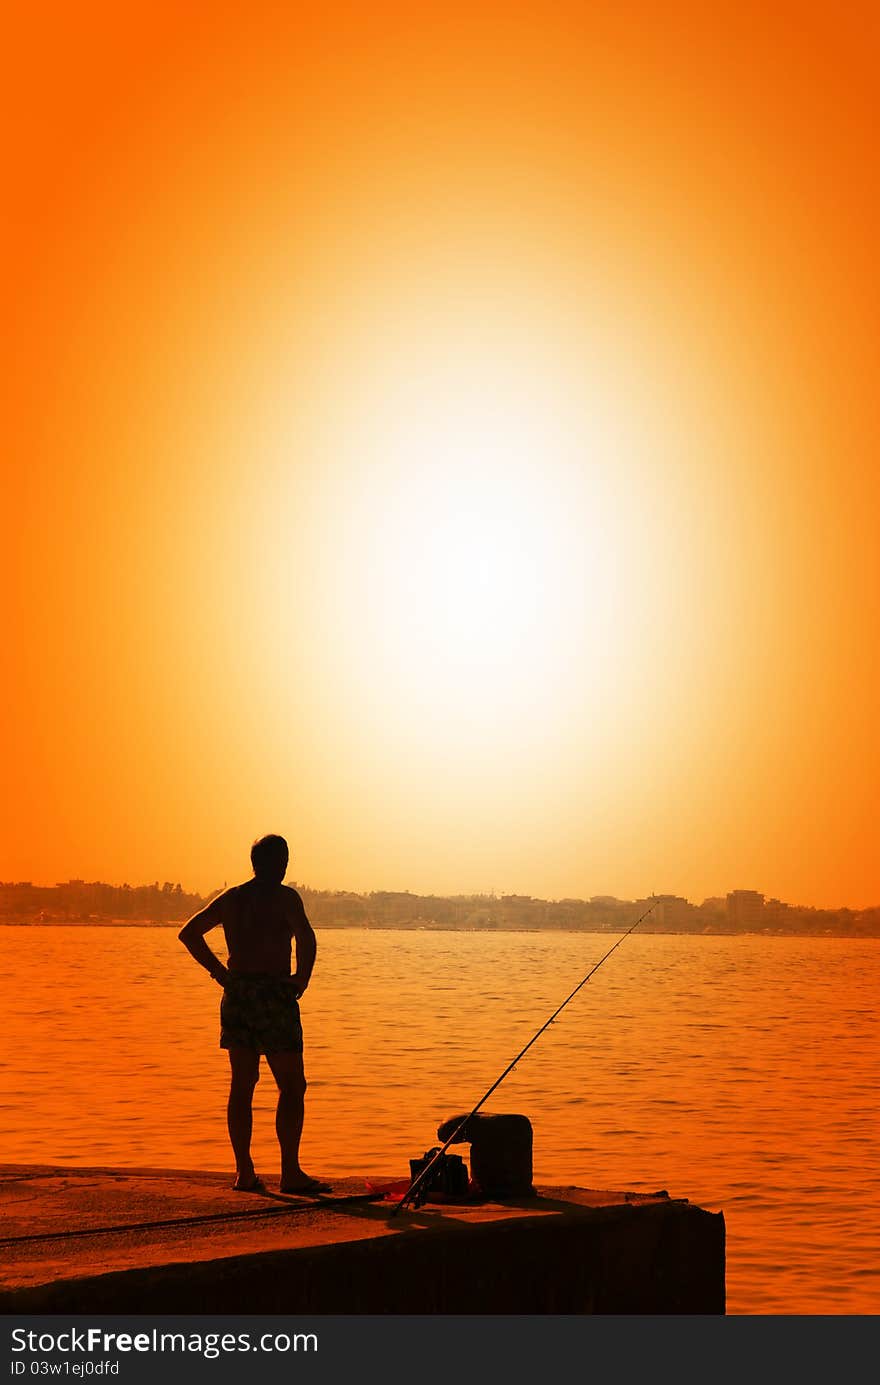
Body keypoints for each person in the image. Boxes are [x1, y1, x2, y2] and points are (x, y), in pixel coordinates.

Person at [178, 834, 328, 1194]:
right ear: (280, 863)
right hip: (273, 995)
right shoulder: (284, 897)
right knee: (292, 1085)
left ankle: (244, 1172)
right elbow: (306, 939)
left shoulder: (234, 898)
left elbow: (190, 933)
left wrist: (222, 975)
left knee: (243, 1085)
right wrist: (301, 979)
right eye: (284, 861)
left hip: (239, 994)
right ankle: (289, 1172)